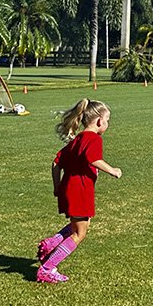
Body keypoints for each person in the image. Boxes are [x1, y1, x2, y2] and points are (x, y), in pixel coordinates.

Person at [36, 99, 123, 283]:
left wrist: (57, 186)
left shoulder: (77, 141)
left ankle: (50, 244)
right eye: (107, 120)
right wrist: (113, 170)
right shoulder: (93, 139)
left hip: (69, 188)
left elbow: (56, 163)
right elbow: (92, 158)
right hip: (80, 190)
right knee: (79, 233)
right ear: (99, 121)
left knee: (81, 224)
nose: (107, 124)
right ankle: (47, 268)